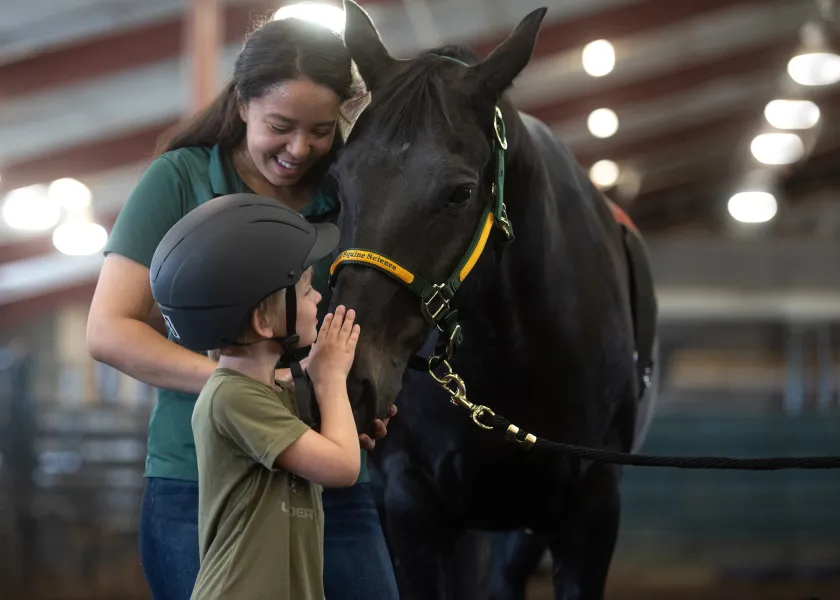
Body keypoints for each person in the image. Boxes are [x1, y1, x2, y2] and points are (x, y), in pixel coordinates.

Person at [85, 15, 399, 600]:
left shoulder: (348, 190)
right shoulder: (179, 180)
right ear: (243, 102)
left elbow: (359, 320)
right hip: (201, 481)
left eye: (322, 130)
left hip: (323, 477)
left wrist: (357, 398)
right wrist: (257, 389)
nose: (300, 148)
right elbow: (109, 331)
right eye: (280, 125)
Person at [150, 193, 361, 600]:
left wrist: (318, 383)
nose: (317, 296)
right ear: (263, 321)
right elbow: (342, 466)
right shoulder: (232, 397)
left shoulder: (269, 393)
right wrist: (331, 379)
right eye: (303, 289)